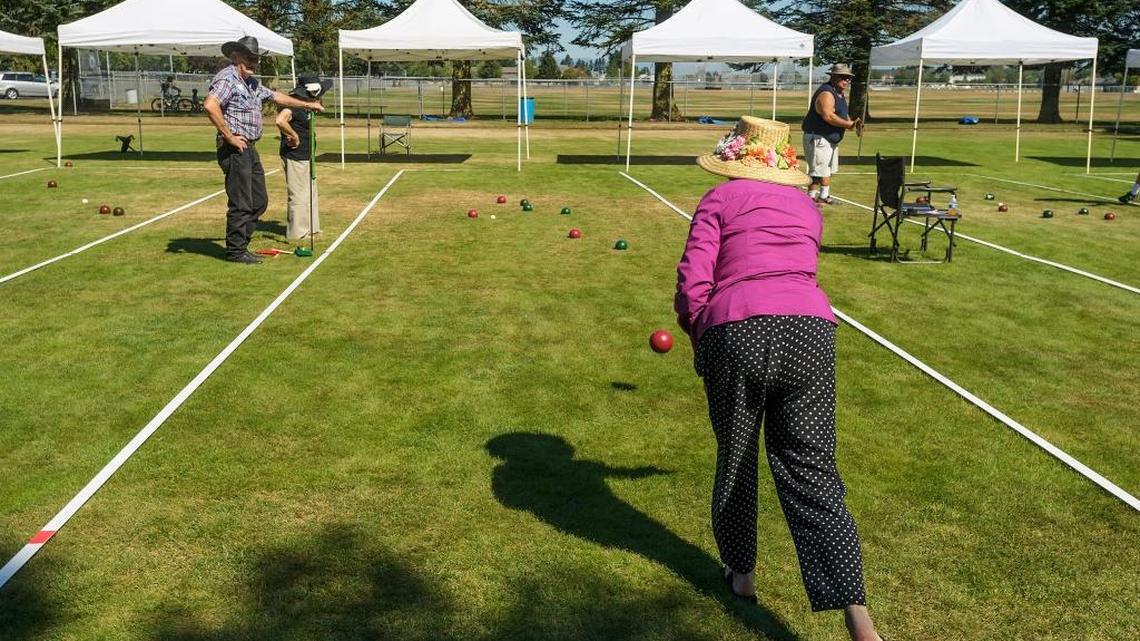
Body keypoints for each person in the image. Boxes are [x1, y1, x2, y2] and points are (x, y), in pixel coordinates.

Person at [676, 116, 883, 641]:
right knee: (812, 471)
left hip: (737, 329)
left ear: (732, 161)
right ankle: (858, 617)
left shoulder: (717, 200)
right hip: (810, 329)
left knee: (738, 457)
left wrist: (701, 330)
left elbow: (693, 279)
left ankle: (741, 573)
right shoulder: (808, 207)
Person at [203, 36, 325, 264]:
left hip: (249, 147)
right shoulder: (227, 78)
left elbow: (276, 96)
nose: (253, 62)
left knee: (259, 201)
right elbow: (210, 105)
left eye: (256, 59)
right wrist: (229, 136)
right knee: (241, 202)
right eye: (249, 58)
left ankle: (241, 244)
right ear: (236, 56)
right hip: (235, 148)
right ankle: (236, 251)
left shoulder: (250, 83)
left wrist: (307, 104)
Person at [275, 75, 331, 241]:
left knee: (310, 192)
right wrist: (293, 135)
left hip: (308, 155)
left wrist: (316, 103)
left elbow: (319, 105)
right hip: (295, 155)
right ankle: (297, 232)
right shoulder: (290, 106)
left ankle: (312, 227)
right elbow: (280, 121)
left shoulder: (306, 104)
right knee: (298, 194)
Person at [801, 63, 862, 205]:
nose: (846, 81)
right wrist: (848, 125)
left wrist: (853, 123)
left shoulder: (839, 94)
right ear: (833, 77)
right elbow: (828, 116)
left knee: (827, 169)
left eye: (848, 78)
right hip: (818, 137)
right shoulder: (826, 93)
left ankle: (824, 196)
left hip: (830, 139)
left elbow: (843, 114)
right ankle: (810, 199)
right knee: (817, 171)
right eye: (843, 77)